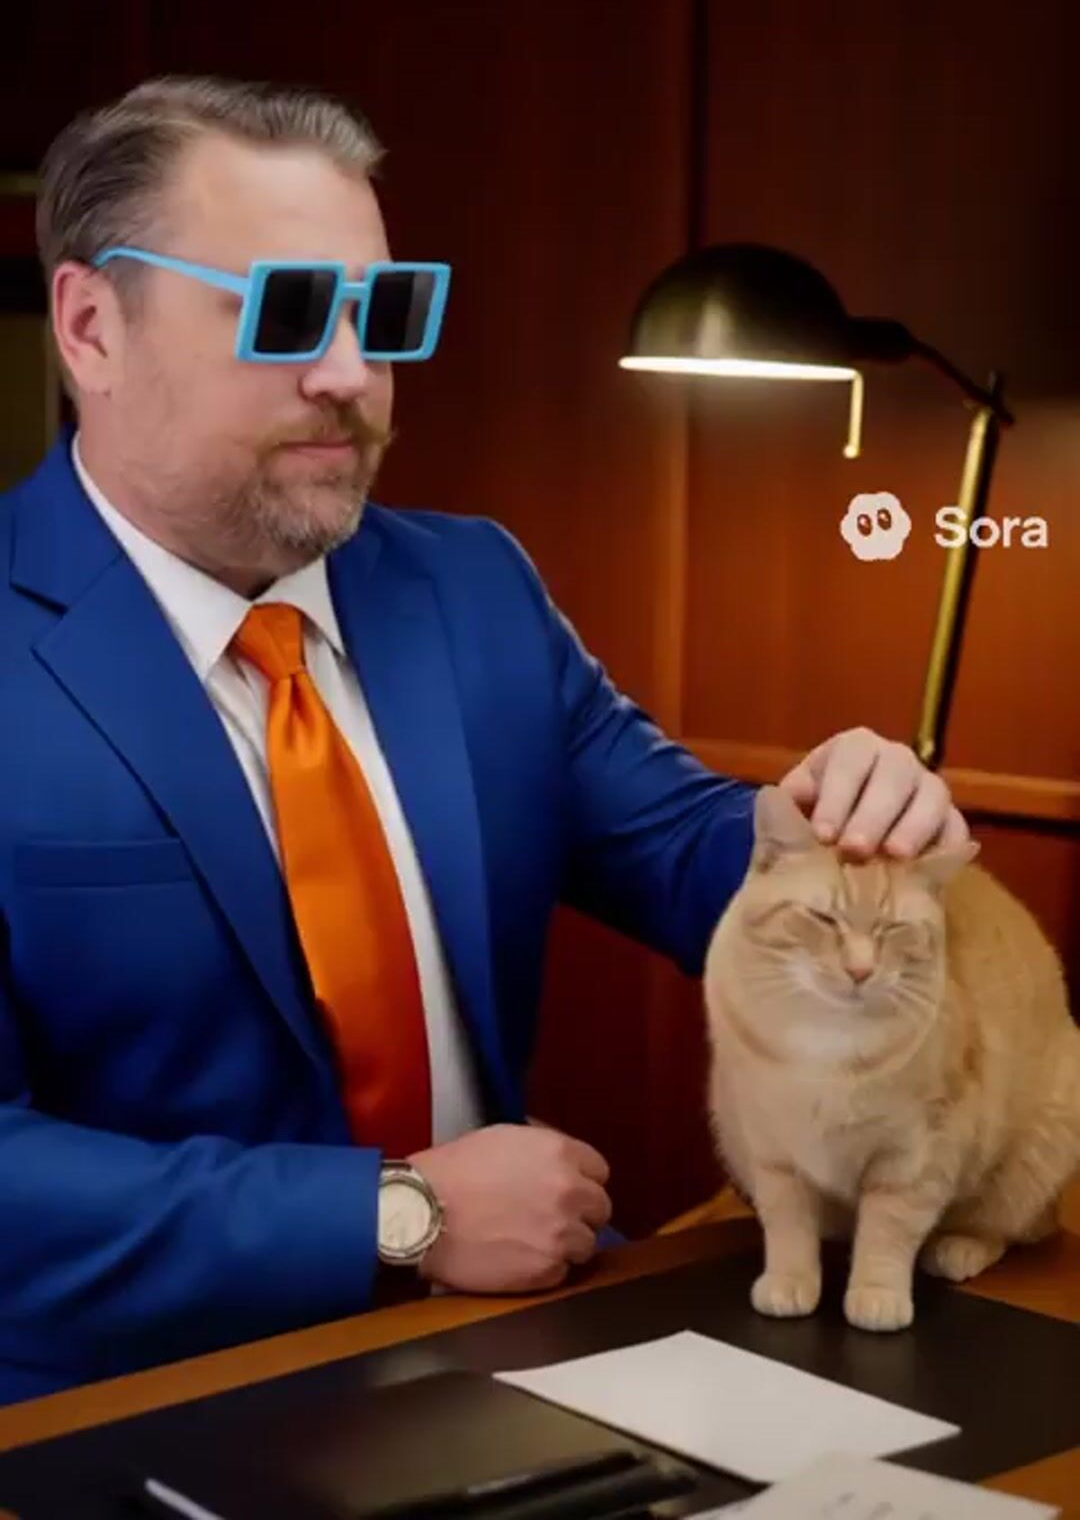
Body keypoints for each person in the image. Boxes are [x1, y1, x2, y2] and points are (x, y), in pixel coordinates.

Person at [0, 77, 970, 1406]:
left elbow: (694, 851)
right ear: (91, 327)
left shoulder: (471, 589)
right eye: (288, 312)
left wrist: (827, 828)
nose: (351, 376)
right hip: (138, 1405)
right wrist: (398, 1215)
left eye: (385, 314)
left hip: (517, 1356)